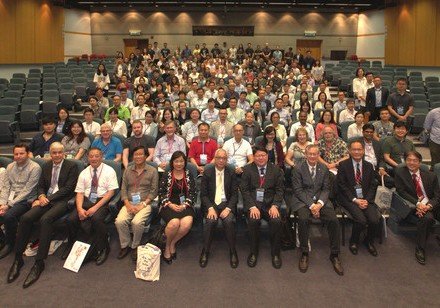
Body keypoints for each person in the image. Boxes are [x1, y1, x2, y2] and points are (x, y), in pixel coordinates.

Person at [7, 143, 78, 288]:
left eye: (59, 152)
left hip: (62, 201)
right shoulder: (46, 166)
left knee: (46, 219)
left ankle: (39, 262)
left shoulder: (72, 166)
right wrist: (41, 195)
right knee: (26, 218)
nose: (57, 155)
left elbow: (69, 188)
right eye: (54, 153)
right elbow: (40, 185)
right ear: (50, 154)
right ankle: (18, 258)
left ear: (63, 153)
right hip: (45, 199)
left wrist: (48, 199)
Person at [291, 144, 343, 275]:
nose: (313, 156)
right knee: (303, 219)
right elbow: (298, 190)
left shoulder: (324, 168)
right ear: (306, 155)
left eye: (315, 154)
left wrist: (319, 204)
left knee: (333, 220)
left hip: (321, 200)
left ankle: (335, 254)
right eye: (310, 154)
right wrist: (311, 205)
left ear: (318, 155)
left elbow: (326, 189)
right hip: (303, 200)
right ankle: (304, 252)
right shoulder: (298, 168)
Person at [64, 148, 119, 265]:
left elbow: (111, 193)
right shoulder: (84, 172)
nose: (94, 158)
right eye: (91, 156)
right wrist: (79, 209)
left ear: (101, 156)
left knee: (96, 219)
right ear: (88, 158)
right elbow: (79, 192)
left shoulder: (109, 171)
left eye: (96, 156)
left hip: (102, 200)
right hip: (87, 200)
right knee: (71, 219)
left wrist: (95, 208)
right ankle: (72, 244)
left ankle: (104, 247)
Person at [241, 147, 284, 269]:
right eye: (258, 156)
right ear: (253, 157)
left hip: (270, 204)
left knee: (276, 221)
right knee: (253, 221)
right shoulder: (248, 169)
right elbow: (244, 190)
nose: (261, 158)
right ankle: (253, 252)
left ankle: (276, 253)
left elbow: (280, 190)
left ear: (267, 156)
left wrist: (275, 205)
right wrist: (251, 206)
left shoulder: (276, 169)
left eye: (263, 155)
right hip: (254, 204)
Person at [394, 151, 440, 265]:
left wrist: (429, 205)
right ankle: (420, 248)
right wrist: (418, 204)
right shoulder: (400, 173)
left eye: (415, 160)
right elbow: (401, 192)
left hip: (431, 204)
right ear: (405, 161)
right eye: (409, 160)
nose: (411, 163)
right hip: (416, 204)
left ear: (420, 162)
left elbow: (437, 195)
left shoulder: (431, 175)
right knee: (428, 219)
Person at [337, 140, 380, 257]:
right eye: (354, 150)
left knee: (374, 220)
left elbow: (373, 185)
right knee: (361, 220)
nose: (357, 152)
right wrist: (355, 200)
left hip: (366, 198)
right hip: (349, 198)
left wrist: (367, 199)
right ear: (349, 151)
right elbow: (342, 186)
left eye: (359, 149)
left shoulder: (369, 166)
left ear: (363, 150)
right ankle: (354, 241)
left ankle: (368, 241)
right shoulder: (343, 165)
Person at [115, 146, 159, 261]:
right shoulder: (128, 170)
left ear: (145, 156)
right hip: (129, 202)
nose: (138, 157)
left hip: (145, 203)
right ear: (132, 156)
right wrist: (127, 204)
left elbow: (154, 191)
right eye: (135, 154)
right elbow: (123, 189)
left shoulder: (152, 171)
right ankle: (125, 245)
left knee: (137, 222)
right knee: (120, 221)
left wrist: (143, 205)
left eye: (140, 154)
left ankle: (135, 246)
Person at [199, 149, 239, 268]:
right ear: (214, 159)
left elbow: (235, 194)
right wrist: (210, 208)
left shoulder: (231, 171)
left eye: (224, 158)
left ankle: (232, 251)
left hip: (227, 205)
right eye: (219, 158)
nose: (221, 160)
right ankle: (205, 250)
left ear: (227, 160)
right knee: (210, 221)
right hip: (212, 204)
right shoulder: (208, 171)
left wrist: (229, 209)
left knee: (228, 221)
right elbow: (203, 194)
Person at [0, 144, 41, 259]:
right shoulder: (10, 167)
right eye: (16, 154)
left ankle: (10, 243)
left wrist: (9, 205)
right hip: (9, 198)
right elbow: (6, 187)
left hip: (26, 200)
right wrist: (2, 203)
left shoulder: (35, 167)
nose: (18, 156)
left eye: (21, 153)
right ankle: (3, 240)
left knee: (8, 216)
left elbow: (27, 190)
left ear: (27, 154)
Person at [158, 151, 196, 264]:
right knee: (174, 223)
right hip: (168, 204)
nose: (179, 164)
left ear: (185, 162)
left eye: (181, 161)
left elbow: (193, 193)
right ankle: (167, 247)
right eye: (176, 161)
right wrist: (169, 204)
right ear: (172, 162)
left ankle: (171, 243)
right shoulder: (167, 174)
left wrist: (185, 205)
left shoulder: (188, 174)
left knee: (186, 223)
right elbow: (161, 192)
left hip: (185, 204)